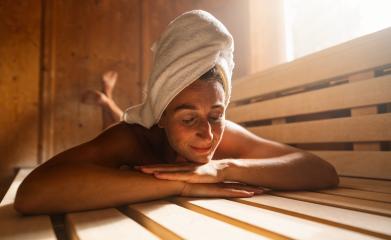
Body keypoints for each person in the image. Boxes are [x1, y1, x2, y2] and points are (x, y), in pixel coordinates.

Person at [14, 10, 338, 215]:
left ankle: (107, 99)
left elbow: (319, 169)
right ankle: (107, 100)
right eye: (187, 118)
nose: (208, 135)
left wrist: (221, 169)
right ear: (161, 116)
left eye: (215, 114)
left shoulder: (223, 142)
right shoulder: (134, 139)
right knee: (114, 121)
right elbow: (32, 194)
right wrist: (179, 185)